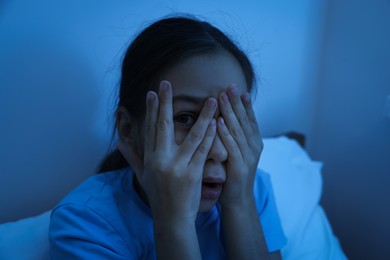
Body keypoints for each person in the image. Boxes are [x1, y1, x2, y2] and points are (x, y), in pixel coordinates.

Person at [49, 15, 287, 259]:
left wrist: (239, 205)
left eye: (231, 120)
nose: (219, 151)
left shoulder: (252, 187)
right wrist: (174, 221)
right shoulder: (84, 224)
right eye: (185, 118)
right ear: (129, 129)